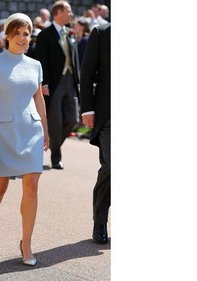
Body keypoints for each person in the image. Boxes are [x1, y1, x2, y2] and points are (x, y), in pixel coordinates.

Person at [0, 13, 49, 266]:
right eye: (16, 33)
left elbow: (39, 99)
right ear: (7, 35)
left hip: (31, 131)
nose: (22, 38)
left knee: (31, 186)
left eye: (26, 34)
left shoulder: (36, 65)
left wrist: (46, 131)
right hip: (2, 132)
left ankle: (26, 244)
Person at [35, 0, 80, 170]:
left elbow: (75, 60)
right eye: (68, 11)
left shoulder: (71, 33)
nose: (71, 14)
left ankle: (53, 145)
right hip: (53, 83)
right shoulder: (45, 35)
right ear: (58, 13)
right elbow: (41, 61)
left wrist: (79, 81)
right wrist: (44, 83)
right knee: (55, 122)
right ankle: (56, 158)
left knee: (73, 119)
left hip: (70, 82)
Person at [80, 23, 111, 244]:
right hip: (108, 113)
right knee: (112, 167)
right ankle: (100, 221)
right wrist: (87, 109)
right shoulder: (101, 33)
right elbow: (87, 72)